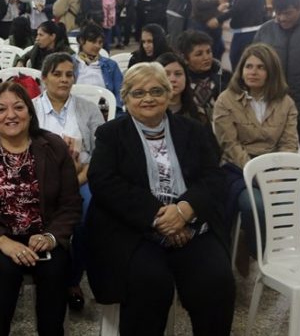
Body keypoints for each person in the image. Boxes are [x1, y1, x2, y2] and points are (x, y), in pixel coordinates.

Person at [86, 62, 234, 336]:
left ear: (169, 94)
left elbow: (214, 177)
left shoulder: (193, 129)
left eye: (156, 91)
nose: (148, 98)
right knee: (149, 283)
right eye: (138, 93)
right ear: (125, 98)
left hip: (193, 226)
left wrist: (185, 211)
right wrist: (160, 216)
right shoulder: (111, 134)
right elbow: (103, 182)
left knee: (216, 280)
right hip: (135, 231)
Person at [0, 81, 81, 336]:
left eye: (18, 107)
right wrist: (2, 241)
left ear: (30, 112)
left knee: (55, 269)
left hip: (43, 236)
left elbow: (71, 203)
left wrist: (52, 236)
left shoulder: (53, 146)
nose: (10, 115)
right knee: (5, 271)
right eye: (1, 109)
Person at [212, 43, 299, 264]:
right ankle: (261, 254)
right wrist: (258, 174)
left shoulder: (285, 102)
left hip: (276, 167)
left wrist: (282, 173)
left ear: (271, 71)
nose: (253, 72)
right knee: (256, 205)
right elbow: (230, 145)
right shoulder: (226, 100)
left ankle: (274, 248)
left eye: (260, 67)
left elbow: (290, 144)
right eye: (248, 66)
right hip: (237, 166)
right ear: (241, 70)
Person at [32, 52, 104, 312]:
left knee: (88, 217)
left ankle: (72, 279)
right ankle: (41, 271)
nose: (64, 79)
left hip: (81, 178)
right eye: (57, 74)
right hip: (37, 182)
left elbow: (101, 154)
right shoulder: (29, 109)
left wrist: (78, 179)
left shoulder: (89, 109)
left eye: (69, 74)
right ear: (43, 78)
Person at [254, 0, 300, 166]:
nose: (282, 18)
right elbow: (252, 62)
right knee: (275, 159)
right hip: (273, 108)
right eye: (278, 13)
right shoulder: (266, 31)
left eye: (288, 13)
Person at [220, 0, 267, 69]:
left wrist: (218, 19)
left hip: (245, 30)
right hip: (253, 28)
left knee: (237, 62)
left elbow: (237, 9)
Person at [175, 30, 222, 124]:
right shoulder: (180, 81)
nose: (206, 57)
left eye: (209, 52)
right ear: (185, 59)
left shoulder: (222, 78)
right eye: (199, 54)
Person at [75, 22, 123, 109]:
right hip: (75, 109)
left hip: (104, 110)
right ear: (81, 41)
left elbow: (120, 93)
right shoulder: (70, 63)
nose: (97, 46)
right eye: (93, 41)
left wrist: (114, 111)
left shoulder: (111, 65)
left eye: (100, 42)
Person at [156, 52, 206, 123]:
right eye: (166, 74)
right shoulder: (149, 112)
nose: (173, 79)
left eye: (178, 74)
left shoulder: (198, 113)